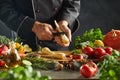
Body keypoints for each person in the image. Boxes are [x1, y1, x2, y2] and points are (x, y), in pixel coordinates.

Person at [0, 0, 80, 51]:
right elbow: (4, 8)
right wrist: (33, 25)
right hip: (25, 45)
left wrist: (64, 22)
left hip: (58, 45)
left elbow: (72, 3)